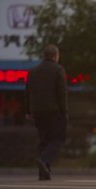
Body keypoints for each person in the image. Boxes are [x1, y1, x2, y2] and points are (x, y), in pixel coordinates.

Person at [25, 44, 67, 181]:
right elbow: (61, 93)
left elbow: (27, 93)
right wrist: (64, 111)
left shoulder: (32, 71)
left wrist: (28, 111)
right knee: (58, 139)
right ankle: (43, 160)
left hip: (37, 112)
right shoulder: (58, 70)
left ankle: (44, 172)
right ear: (56, 56)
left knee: (44, 140)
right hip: (53, 111)